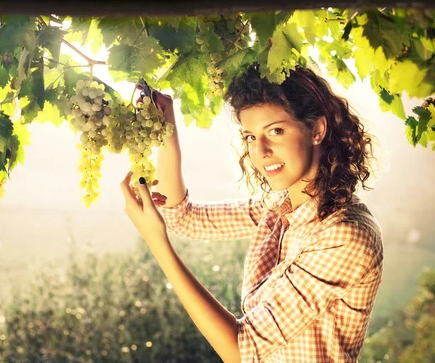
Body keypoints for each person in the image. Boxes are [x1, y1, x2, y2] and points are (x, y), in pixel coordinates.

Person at [120, 64, 384, 363]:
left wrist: (157, 243)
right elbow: (185, 219)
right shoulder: (281, 207)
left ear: (317, 130)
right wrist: (166, 129)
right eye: (249, 137)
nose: (260, 151)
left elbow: (240, 350)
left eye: (276, 131)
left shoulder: (344, 237)